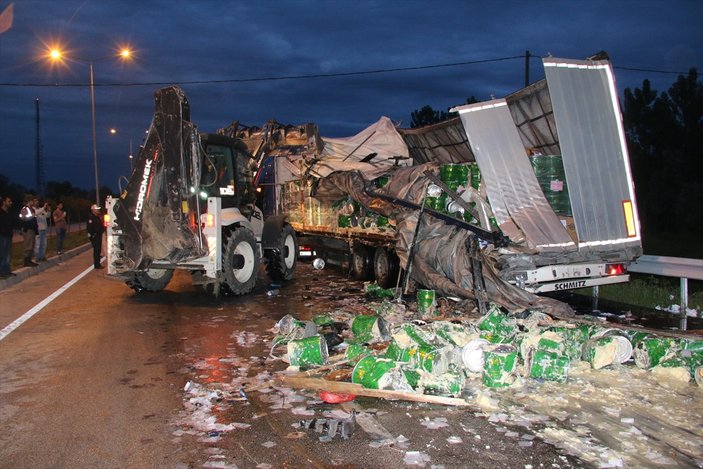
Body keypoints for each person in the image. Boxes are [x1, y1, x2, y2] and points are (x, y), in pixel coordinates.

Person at [19, 195, 38, 267]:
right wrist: (32, 216)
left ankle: (29, 260)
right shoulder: (25, 209)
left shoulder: (31, 209)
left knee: (32, 245)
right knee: (28, 246)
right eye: (32, 200)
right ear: (29, 201)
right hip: (27, 229)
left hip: (32, 229)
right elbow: (24, 218)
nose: (33, 201)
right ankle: (26, 261)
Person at [0, 196, 15, 277]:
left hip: (9, 235)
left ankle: (7, 270)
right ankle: (2, 272)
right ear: (4, 202)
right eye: (9, 201)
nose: (11, 202)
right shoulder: (1, 212)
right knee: (3, 254)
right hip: (2, 236)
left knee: (8, 254)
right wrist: (4, 231)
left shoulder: (8, 212)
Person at [87, 204, 105, 269]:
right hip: (95, 236)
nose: (98, 210)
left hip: (98, 235)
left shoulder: (97, 217)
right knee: (97, 250)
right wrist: (93, 235)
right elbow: (89, 228)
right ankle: (97, 265)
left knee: (98, 250)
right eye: (97, 209)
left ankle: (98, 263)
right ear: (93, 210)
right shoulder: (91, 218)